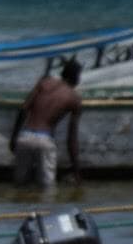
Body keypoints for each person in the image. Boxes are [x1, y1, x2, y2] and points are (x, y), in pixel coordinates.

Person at [9, 58, 82, 188]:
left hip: (25, 137)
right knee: (47, 190)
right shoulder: (74, 98)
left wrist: (14, 138)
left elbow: (23, 109)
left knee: (19, 185)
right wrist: (76, 169)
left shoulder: (44, 83)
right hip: (44, 140)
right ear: (75, 76)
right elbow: (71, 139)